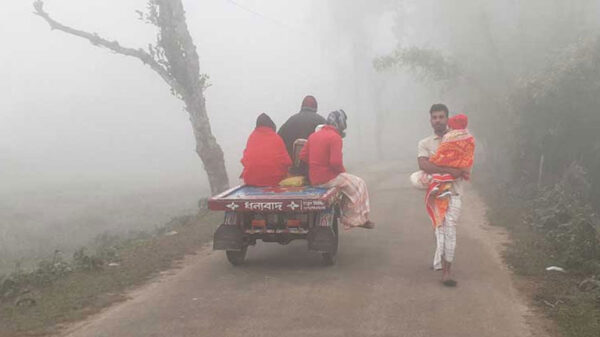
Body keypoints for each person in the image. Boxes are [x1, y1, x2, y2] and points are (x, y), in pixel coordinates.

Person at [417, 104, 470, 287]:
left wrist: (441, 169)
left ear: (447, 118)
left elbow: (464, 167)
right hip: (435, 194)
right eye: (434, 117)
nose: (438, 120)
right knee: (439, 229)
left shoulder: (459, 138)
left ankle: (447, 271)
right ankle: (441, 260)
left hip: (454, 193)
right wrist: (449, 169)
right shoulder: (425, 143)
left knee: (450, 229)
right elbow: (423, 165)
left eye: (441, 117)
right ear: (430, 120)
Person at [299, 110, 374, 230]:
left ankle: (352, 217)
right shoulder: (335, 137)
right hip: (329, 178)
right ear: (340, 124)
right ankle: (356, 219)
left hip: (314, 179)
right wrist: (343, 172)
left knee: (349, 184)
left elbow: (302, 156)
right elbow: (335, 162)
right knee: (360, 184)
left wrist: (316, 164)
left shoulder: (313, 136)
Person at [241, 113, 292, 187]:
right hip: (274, 181)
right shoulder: (276, 138)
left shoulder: (252, 137)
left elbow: (244, 160)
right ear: (271, 126)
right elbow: (287, 162)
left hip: (251, 181)